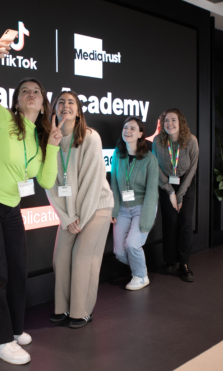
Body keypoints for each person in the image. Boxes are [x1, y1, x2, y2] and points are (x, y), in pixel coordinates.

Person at [0, 39, 64, 365]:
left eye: (36, 91)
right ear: (17, 102)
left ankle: (14, 329)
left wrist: (56, 146)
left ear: (44, 103)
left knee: (18, 270)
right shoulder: (3, 119)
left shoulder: (41, 138)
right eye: (24, 91)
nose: (30, 93)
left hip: (10, 208)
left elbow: (45, 180)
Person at [45, 91, 114, 328]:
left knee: (83, 257)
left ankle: (81, 310)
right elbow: (50, 185)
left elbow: (92, 182)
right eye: (61, 102)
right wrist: (66, 217)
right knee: (60, 258)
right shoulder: (49, 140)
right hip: (71, 214)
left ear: (78, 110)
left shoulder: (90, 137)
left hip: (96, 208)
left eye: (71, 102)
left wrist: (80, 219)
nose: (66, 105)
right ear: (54, 109)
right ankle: (62, 308)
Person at [111, 116, 159, 290]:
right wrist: (114, 210)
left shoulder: (149, 159)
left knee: (132, 244)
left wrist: (146, 221)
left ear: (140, 134)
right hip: (123, 208)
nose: (128, 131)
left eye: (132, 128)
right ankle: (139, 268)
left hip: (143, 207)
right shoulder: (118, 154)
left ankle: (140, 276)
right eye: (125, 128)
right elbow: (114, 185)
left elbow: (152, 191)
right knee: (119, 251)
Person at [152, 108, 199, 282]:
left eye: (173, 120)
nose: (169, 124)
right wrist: (170, 191)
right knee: (170, 222)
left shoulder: (191, 141)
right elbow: (155, 167)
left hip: (186, 182)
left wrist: (180, 195)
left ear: (180, 123)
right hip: (166, 183)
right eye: (166, 121)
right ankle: (170, 261)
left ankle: (184, 263)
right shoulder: (158, 141)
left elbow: (193, 168)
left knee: (185, 223)